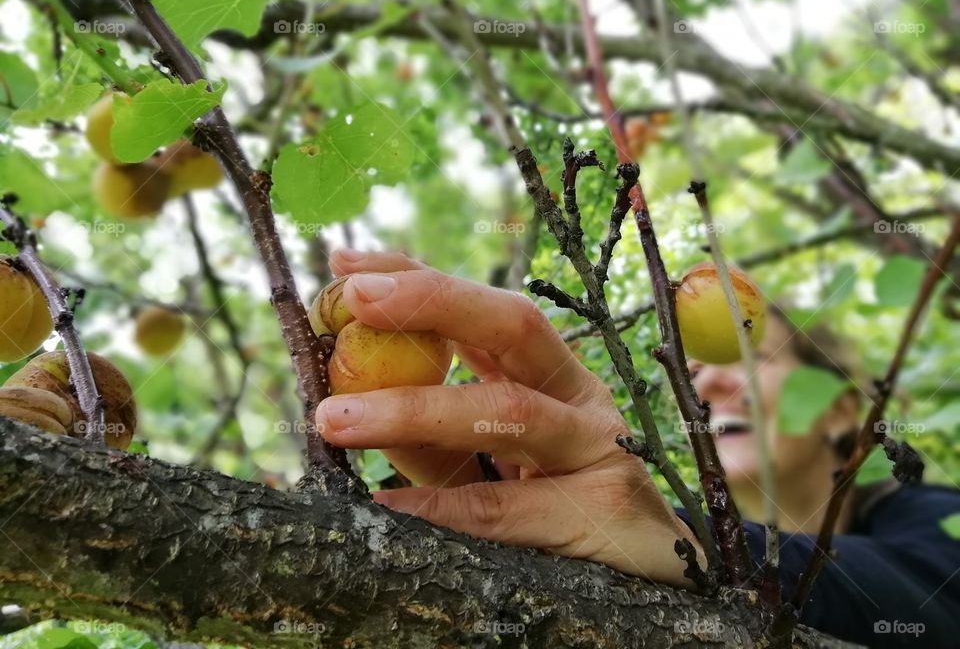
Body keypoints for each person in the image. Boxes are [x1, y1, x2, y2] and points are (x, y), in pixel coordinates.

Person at [316, 249, 960, 647]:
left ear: (842, 407)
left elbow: (929, 604)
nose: (712, 383)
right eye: (695, 371)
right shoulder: (644, 572)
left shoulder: (932, 519)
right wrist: (523, 533)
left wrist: (685, 538)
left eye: (748, 357)